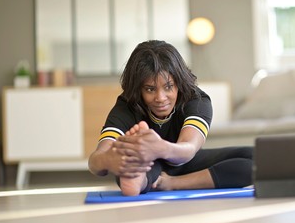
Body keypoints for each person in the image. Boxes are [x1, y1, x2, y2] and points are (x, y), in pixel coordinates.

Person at [88, 40, 253, 196]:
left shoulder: (196, 100)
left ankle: (172, 183)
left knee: (258, 159)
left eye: (168, 87)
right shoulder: (127, 105)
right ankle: (137, 179)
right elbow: (96, 160)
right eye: (150, 89)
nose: (160, 97)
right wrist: (111, 160)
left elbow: (188, 149)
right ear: (138, 89)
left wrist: (160, 148)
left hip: (186, 162)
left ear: (178, 83)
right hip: (149, 165)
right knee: (132, 165)